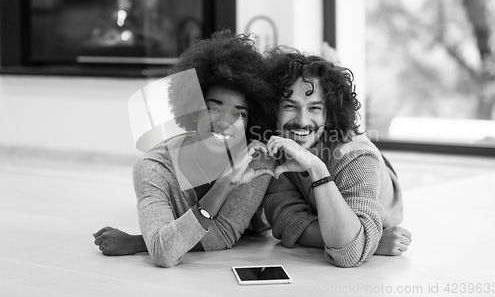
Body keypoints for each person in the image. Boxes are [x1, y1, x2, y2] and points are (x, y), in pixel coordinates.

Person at [94, 31, 275, 268]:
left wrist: (142, 242)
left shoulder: (256, 159)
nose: (224, 123)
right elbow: (165, 254)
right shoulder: (153, 168)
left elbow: (222, 234)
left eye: (239, 114)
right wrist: (225, 184)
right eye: (213, 108)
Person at [262, 46, 411, 268]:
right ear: (274, 110)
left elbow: (347, 253)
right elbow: (286, 221)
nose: (302, 120)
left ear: (328, 114)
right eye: (291, 106)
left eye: (314, 108)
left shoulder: (356, 156)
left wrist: (316, 168)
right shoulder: (278, 144)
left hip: (378, 187)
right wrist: (367, 242)